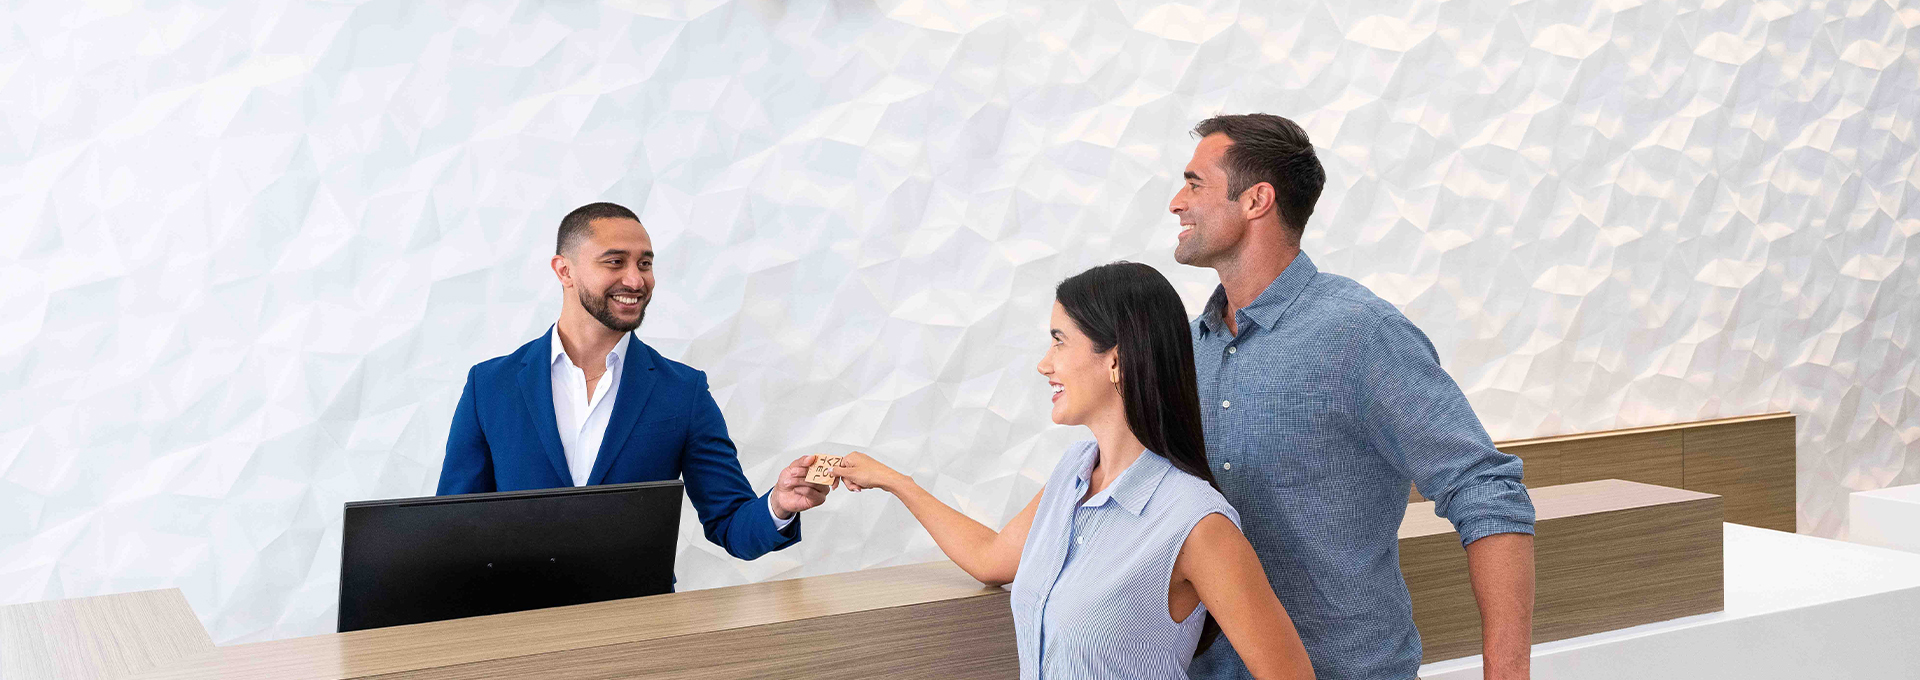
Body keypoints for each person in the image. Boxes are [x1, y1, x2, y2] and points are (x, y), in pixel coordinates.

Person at [1169, 113, 1538, 680]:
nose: (1177, 201)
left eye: (1195, 183)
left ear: (1256, 200)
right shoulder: (1190, 348)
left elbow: (1486, 491)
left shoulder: (1361, 333)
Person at [831, 262, 1316, 680]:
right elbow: (990, 559)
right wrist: (895, 481)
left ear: (1117, 361)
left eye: (1059, 341)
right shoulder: (1074, 474)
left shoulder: (1196, 523)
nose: (1045, 364)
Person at [436, 202, 828, 561]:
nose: (636, 280)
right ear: (564, 270)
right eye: (615, 262)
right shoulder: (489, 386)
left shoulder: (683, 391)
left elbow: (730, 524)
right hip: (515, 626)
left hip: (640, 626)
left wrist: (778, 504)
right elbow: (450, 527)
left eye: (644, 264)